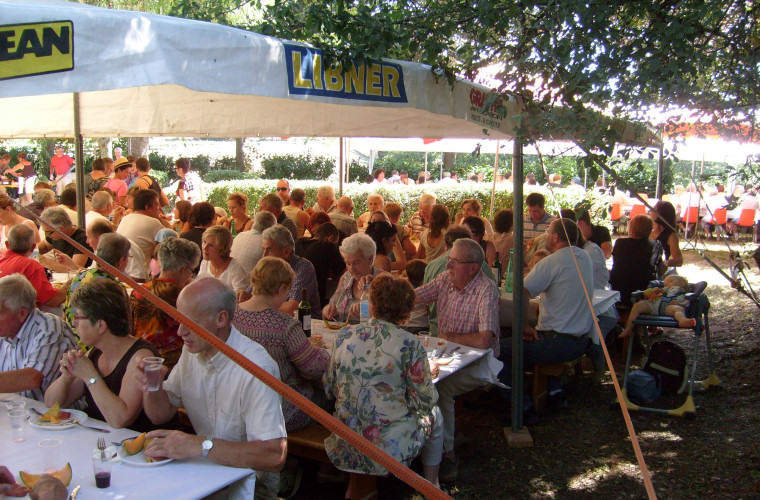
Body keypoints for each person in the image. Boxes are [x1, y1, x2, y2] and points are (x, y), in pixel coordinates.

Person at [138, 278, 287, 500]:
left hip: (249, 486)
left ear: (221, 318)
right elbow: (160, 414)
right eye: (178, 320)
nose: (180, 332)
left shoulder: (256, 367)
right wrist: (152, 387)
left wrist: (199, 446)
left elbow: (275, 455)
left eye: (188, 322)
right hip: (204, 475)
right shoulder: (193, 351)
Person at [324, 273, 443, 488]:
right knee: (436, 413)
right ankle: (432, 485)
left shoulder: (344, 335)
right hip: (389, 448)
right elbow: (425, 400)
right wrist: (427, 374)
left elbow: (330, 387)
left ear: (372, 304)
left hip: (345, 441)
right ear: (406, 309)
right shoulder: (409, 344)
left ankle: (356, 486)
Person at [414, 238, 500, 482]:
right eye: (448, 260)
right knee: (418, 376)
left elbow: (485, 341)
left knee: (440, 386)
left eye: (454, 262)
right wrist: (386, 291)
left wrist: (449, 336)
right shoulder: (446, 280)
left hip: (480, 362)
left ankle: (446, 453)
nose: (447, 266)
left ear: (473, 267)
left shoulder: (486, 289)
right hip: (447, 355)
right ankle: (425, 439)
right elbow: (416, 296)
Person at [499, 219, 594, 414]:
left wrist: (524, 325)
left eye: (548, 231)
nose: (545, 235)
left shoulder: (552, 261)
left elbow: (522, 290)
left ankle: (521, 404)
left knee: (496, 349)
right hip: (582, 341)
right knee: (536, 336)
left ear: (556, 237)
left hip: (557, 343)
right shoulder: (585, 257)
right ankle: (554, 390)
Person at [44, 279, 159, 431]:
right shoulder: (96, 352)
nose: (74, 323)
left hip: (139, 448)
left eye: (78, 317)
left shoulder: (140, 357)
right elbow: (52, 404)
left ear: (100, 325)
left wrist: (90, 375)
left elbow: (120, 419)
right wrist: (66, 378)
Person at [233, 257, 329, 432]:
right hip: (277, 406)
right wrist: (319, 350)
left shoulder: (232, 315)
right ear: (282, 289)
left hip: (239, 399)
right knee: (329, 397)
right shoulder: (284, 325)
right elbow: (314, 368)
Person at [0, 274, 77, 400]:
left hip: (57, 415)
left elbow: (32, 378)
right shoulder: (6, 330)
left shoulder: (49, 328)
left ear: (22, 314)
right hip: (18, 411)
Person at [131, 237, 200, 368]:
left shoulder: (138, 291)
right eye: (191, 271)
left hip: (138, 358)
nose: (190, 275)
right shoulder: (182, 297)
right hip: (172, 365)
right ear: (183, 269)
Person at [61, 233, 131, 337]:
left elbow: (65, 314)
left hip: (70, 338)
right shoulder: (115, 288)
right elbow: (124, 327)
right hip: (95, 345)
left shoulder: (79, 277)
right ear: (121, 261)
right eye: (128, 258)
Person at [261, 225, 321, 318]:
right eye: (263, 250)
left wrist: (260, 305)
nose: (264, 255)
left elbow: (292, 307)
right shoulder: (267, 267)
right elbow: (249, 297)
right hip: (274, 322)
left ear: (286, 252)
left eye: (269, 250)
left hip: (306, 325)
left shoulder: (303, 268)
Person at [0, 225, 66, 307]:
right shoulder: (30, 265)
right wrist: (69, 286)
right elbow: (51, 301)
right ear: (33, 247)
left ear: (7, 244)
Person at [322, 232, 382, 322]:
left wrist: (364, 308)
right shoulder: (347, 278)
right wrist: (327, 310)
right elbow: (332, 304)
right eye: (348, 263)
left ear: (370, 259)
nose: (351, 269)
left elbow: (387, 319)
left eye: (356, 263)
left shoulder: (382, 282)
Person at [610, 215, 663, 307]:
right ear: (649, 229)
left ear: (632, 228)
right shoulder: (655, 245)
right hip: (643, 291)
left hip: (619, 289)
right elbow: (659, 268)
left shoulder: (620, 243)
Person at [620, 275, 697, 338]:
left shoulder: (681, 292)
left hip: (668, 308)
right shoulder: (663, 289)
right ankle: (628, 328)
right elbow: (646, 294)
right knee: (638, 305)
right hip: (654, 305)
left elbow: (686, 302)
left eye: (671, 281)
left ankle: (682, 320)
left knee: (678, 309)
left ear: (682, 284)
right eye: (665, 283)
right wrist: (652, 291)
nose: (667, 284)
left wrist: (678, 303)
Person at [197, 226, 249, 300]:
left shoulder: (235, 269)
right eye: (204, 242)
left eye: (211, 245)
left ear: (222, 249)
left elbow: (241, 299)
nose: (205, 248)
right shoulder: (205, 263)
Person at [117, 189, 169, 263]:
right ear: (147, 207)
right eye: (157, 205)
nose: (159, 208)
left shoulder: (125, 218)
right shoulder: (153, 223)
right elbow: (172, 244)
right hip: (138, 271)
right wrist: (167, 224)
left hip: (119, 268)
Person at [301, 222, 346, 305]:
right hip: (315, 301)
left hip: (292, 296)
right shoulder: (328, 246)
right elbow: (344, 273)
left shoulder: (298, 243)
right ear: (330, 238)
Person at [231, 211, 277, 276]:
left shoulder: (239, 236)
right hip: (252, 284)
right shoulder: (267, 244)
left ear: (254, 223)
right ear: (272, 228)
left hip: (229, 281)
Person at [651, 200, 683, 273]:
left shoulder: (671, 236)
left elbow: (679, 260)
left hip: (660, 272)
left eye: (654, 209)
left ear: (661, 214)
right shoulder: (648, 230)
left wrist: (664, 263)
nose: (651, 210)